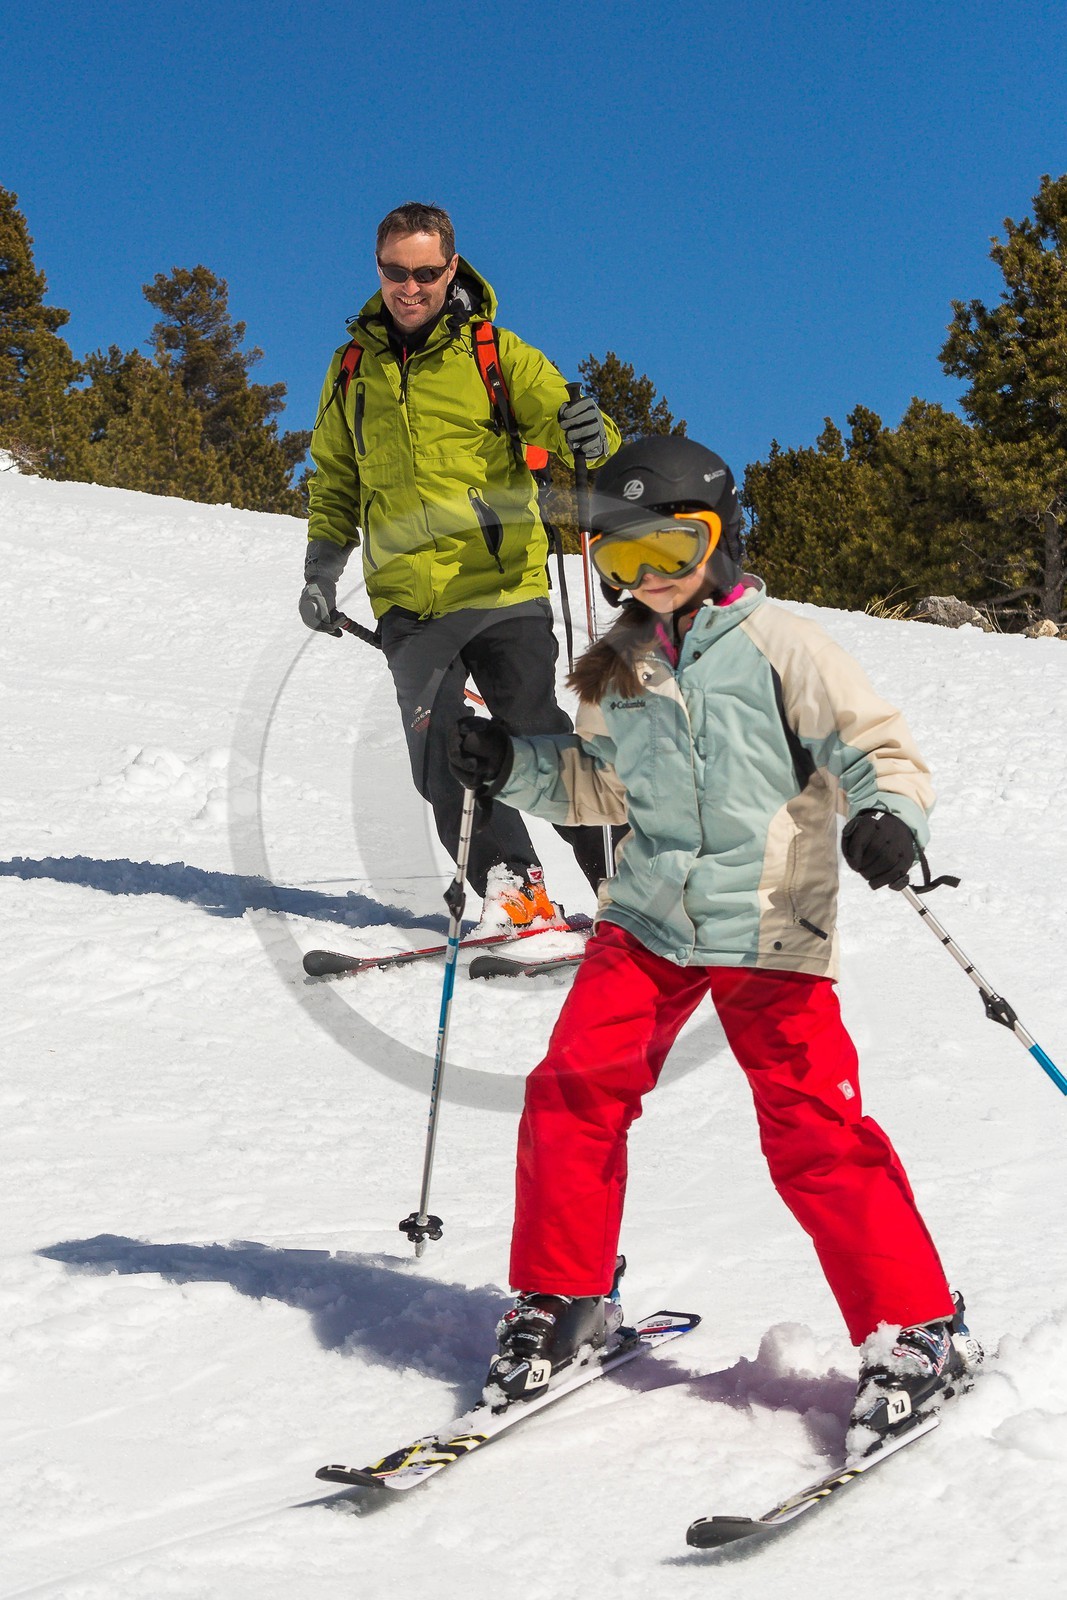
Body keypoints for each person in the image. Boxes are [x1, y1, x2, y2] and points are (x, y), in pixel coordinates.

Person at [448, 434, 983, 1456]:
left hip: (770, 916)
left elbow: (876, 749)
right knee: (571, 1089)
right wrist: (512, 763)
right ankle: (564, 1295)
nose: (649, 578)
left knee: (810, 1129)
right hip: (649, 915)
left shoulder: (784, 644)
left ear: (720, 533)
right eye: (621, 558)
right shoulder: (613, 666)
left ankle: (916, 1328)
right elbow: (604, 786)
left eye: (673, 548)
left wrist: (889, 816)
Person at [299, 200, 621, 927]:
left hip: (501, 586)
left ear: (450, 268)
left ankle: (629, 884)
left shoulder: (494, 354)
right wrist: (322, 568)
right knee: (443, 756)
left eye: (423, 272)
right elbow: (335, 477)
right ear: (377, 269)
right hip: (409, 604)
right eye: (392, 271)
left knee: (534, 732)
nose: (407, 287)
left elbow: (576, 433)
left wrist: (588, 431)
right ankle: (520, 902)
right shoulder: (351, 368)